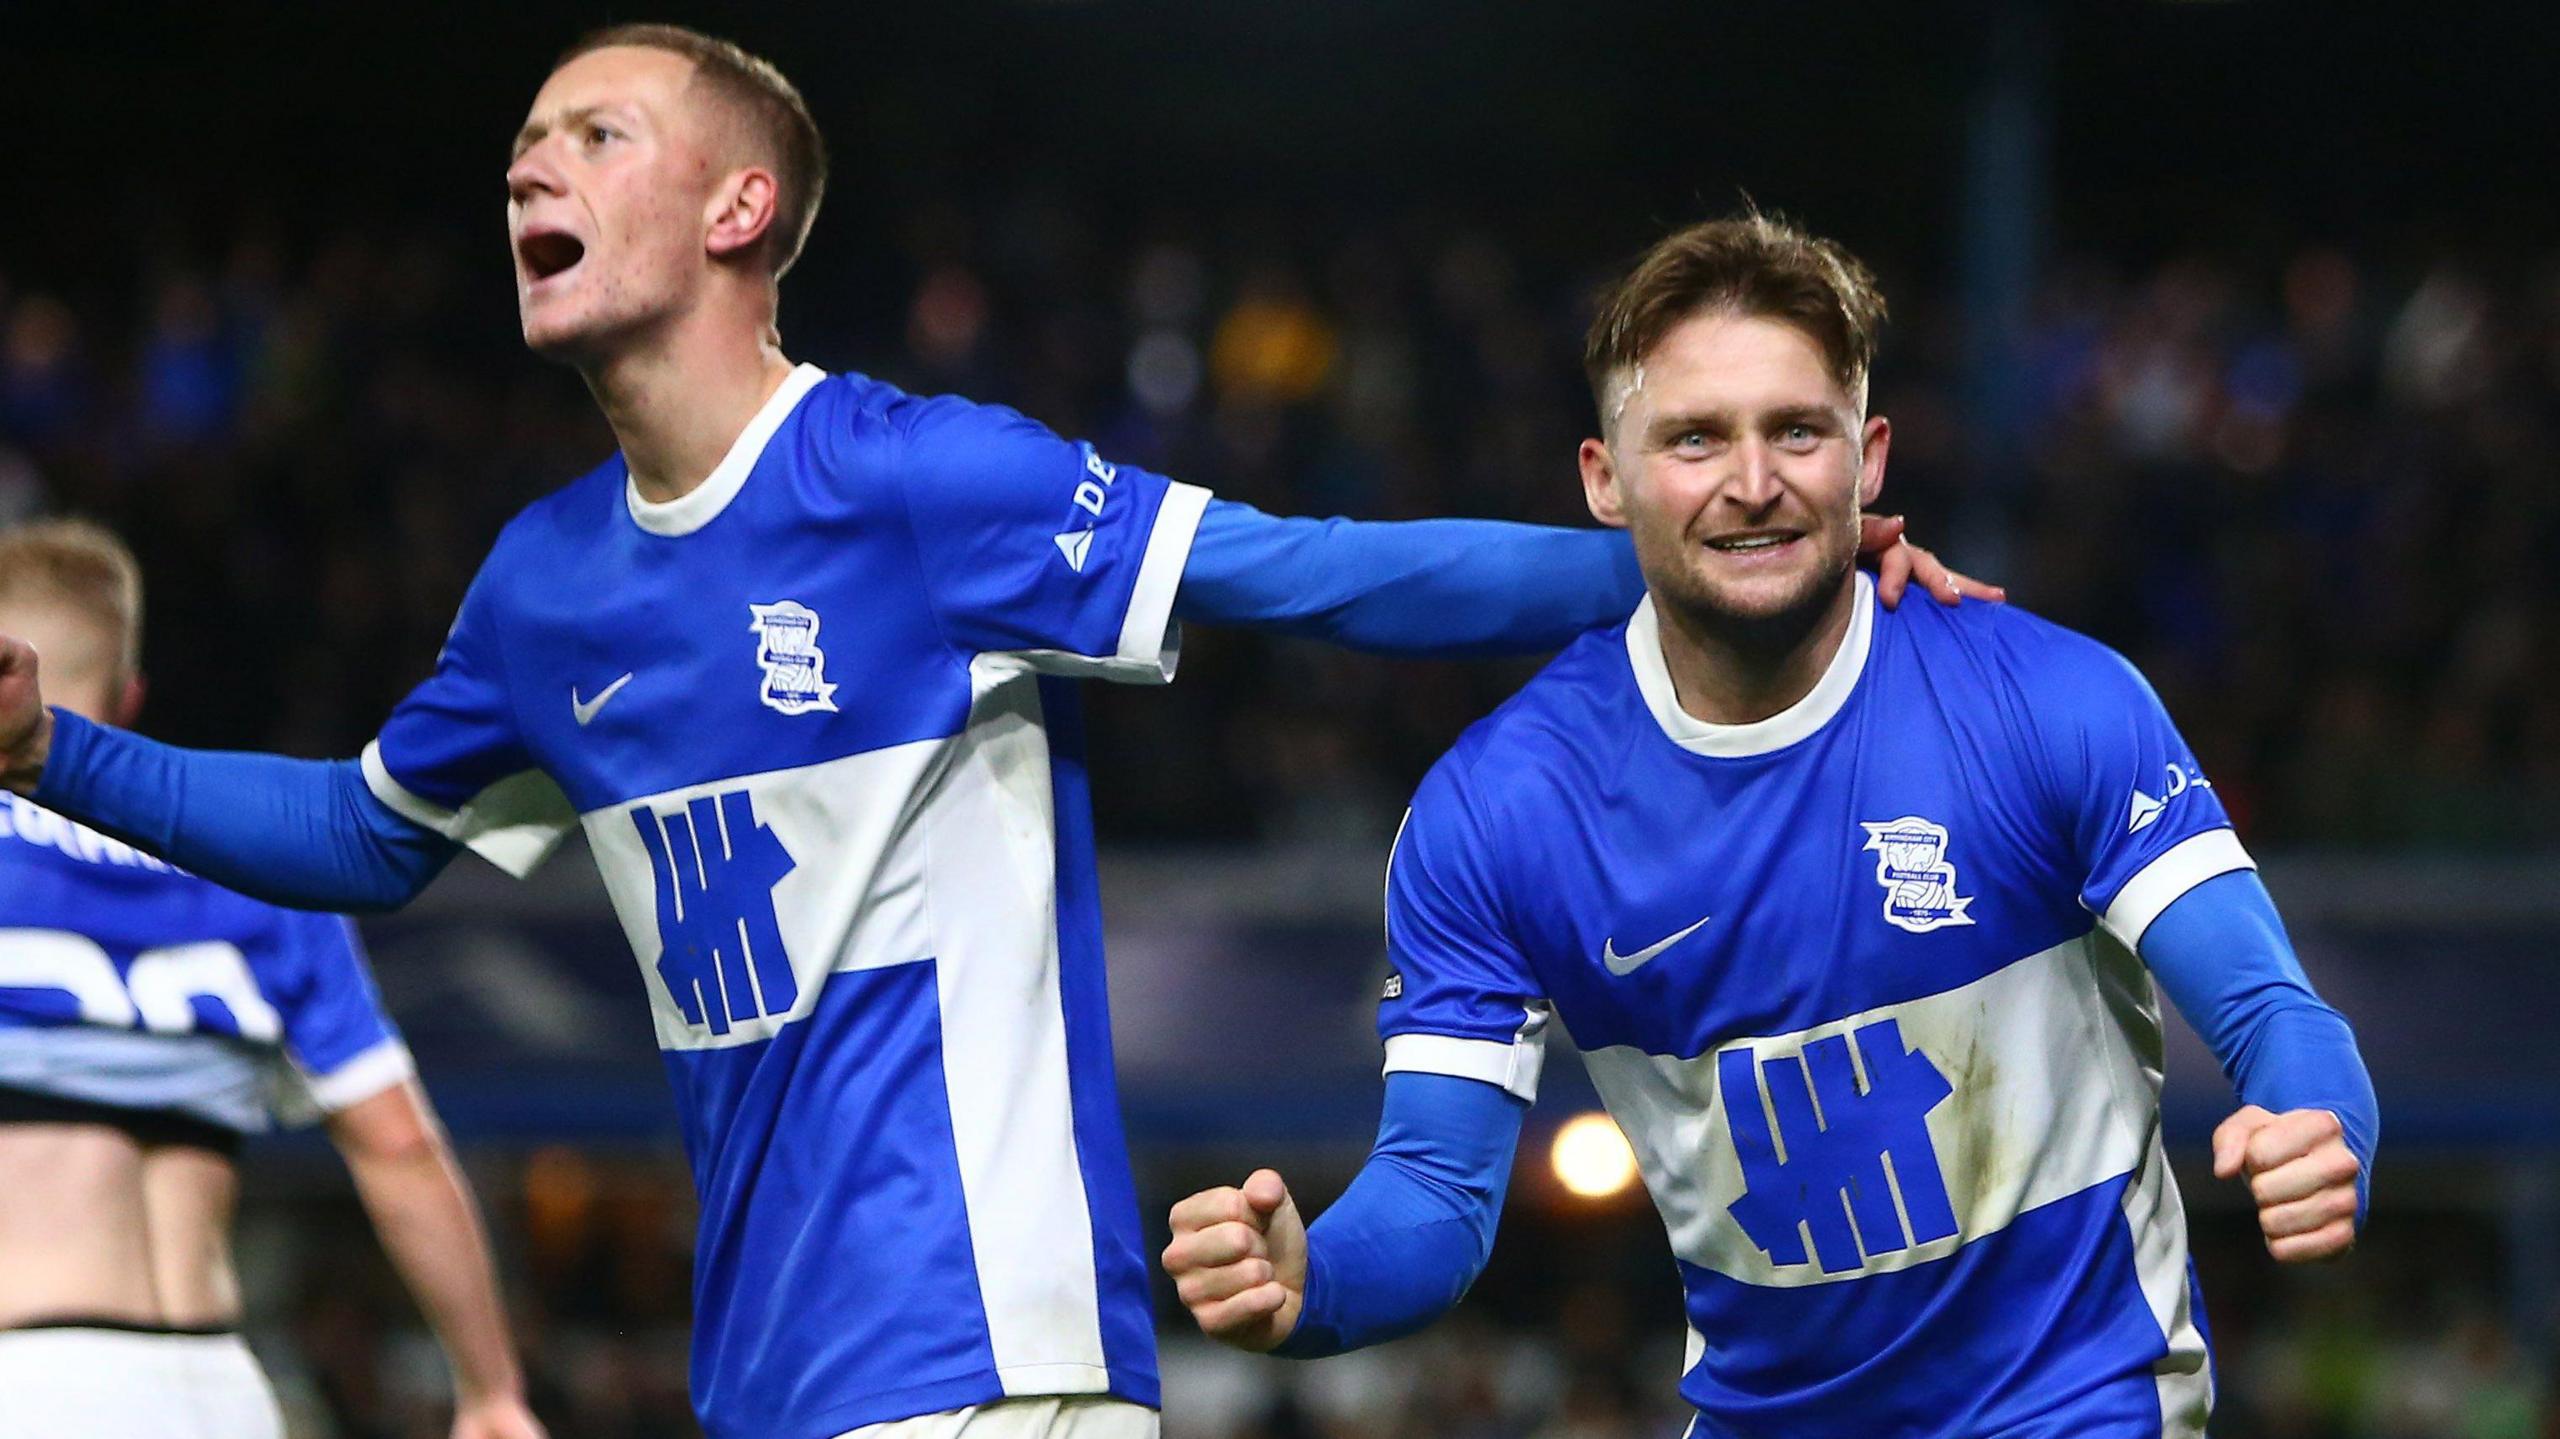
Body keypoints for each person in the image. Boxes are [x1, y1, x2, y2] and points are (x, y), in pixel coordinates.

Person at [0, 27, 1990, 1439]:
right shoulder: (540, 592)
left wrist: (1713, 556)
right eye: (525, 137)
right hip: (759, 1373)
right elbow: (365, 835)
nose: (530, 162)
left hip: (985, 1355)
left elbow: (1309, 570)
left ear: (737, 206)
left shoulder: (912, 482)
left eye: (594, 134)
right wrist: (50, 753)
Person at [1159, 214, 2379, 1438]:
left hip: (2073, 1406)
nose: (1752, 482)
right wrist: (1311, 1279)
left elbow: (2279, 1018)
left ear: (1871, 455)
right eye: (1694, 437)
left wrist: (2321, 1128)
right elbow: (1434, 1184)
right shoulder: (1497, 814)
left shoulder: (2050, 701)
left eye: (1796, 429)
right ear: (1603, 478)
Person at [0, 520, 544, 1439]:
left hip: (28, 1378)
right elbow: (400, 1149)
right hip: (219, 1389)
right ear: (130, 698)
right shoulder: (251, 870)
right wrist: (492, 1391)